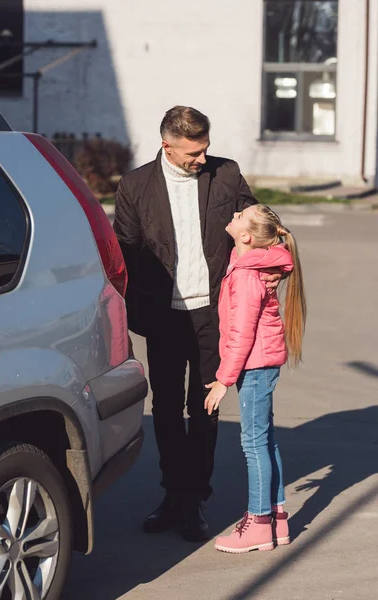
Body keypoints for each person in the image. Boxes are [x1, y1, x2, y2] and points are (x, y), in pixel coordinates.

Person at [114, 106, 281, 542]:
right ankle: (172, 495)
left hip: (214, 314)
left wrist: (271, 264)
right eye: (192, 152)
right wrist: (135, 309)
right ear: (166, 145)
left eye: (204, 149)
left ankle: (195, 500)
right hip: (163, 315)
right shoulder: (135, 186)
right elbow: (126, 253)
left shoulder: (225, 175)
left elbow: (259, 226)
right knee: (167, 409)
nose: (201, 159)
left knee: (205, 408)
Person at [204, 204, 306, 553]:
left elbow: (242, 335)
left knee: (253, 443)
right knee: (265, 439)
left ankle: (259, 522)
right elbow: (282, 253)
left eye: (238, 217)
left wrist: (223, 380)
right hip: (260, 363)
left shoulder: (248, 275)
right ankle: (277, 517)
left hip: (255, 364)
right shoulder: (250, 263)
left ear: (246, 236)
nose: (232, 216)